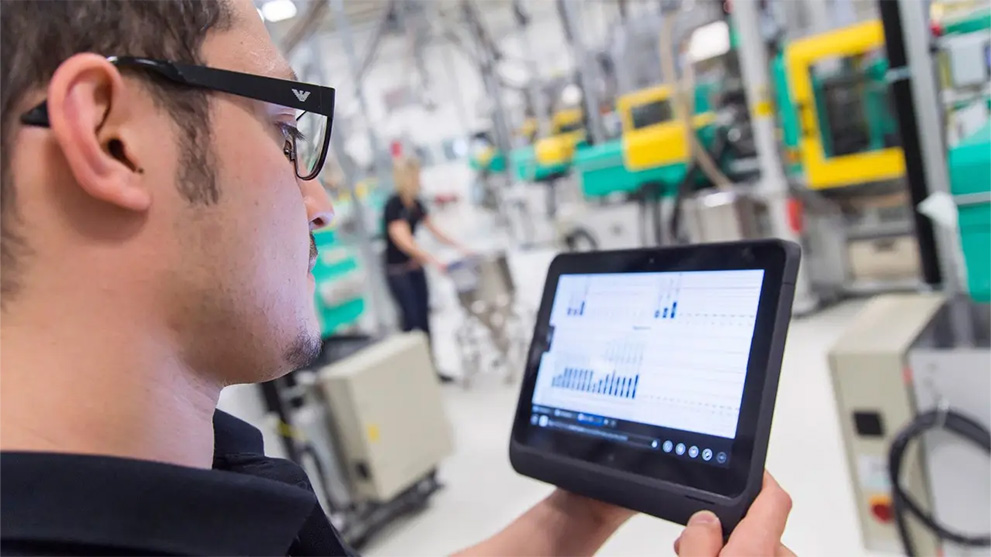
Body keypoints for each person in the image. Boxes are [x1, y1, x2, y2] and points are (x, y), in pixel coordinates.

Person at [0, 1, 793, 555]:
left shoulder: (192, 477)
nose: (320, 202)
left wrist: (580, 509)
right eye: (286, 130)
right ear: (110, 139)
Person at [382, 155, 468, 382]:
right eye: (416, 175)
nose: (420, 179)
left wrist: (461, 247)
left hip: (415, 269)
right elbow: (403, 240)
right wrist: (431, 258)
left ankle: (431, 370)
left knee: (425, 320)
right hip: (399, 273)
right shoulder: (394, 205)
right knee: (411, 322)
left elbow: (434, 230)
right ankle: (416, 376)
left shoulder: (416, 204)